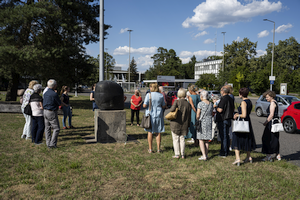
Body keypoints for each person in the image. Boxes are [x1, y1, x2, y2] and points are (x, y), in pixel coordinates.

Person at [232, 88, 256, 166]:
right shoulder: (249, 101)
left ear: (241, 94)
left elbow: (244, 115)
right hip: (247, 123)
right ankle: (249, 157)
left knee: (237, 140)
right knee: (246, 139)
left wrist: (237, 115)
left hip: (242, 123)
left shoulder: (243, 102)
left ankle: (237, 158)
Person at [143, 83, 166, 153]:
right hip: (159, 115)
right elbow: (164, 105)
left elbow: (144, 105)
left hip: (150, 115)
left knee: (150, 132)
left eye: (150, 87)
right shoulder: (161, 95)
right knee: (158, 132)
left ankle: (150, 149)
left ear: (152, 88)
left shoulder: (148, 95)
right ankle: (158, 149)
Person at [169, 88, 191, 159]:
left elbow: (171, 110)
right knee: (182, 139)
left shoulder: (177, 102)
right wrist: (188, 125)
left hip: (175, 123)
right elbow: (189, 115)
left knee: (175, 139)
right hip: (184, 123)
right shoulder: (188, 104)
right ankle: (183, 154)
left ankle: (177, 154)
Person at [261, 90, 281, 161]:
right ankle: (277, 155)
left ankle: (268, 155)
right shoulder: (275, 102)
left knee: (266, 138)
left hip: (271, 123)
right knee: (274, 138)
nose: (266, 98)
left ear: (271, 96)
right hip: (275, 123)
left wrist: (266, 122)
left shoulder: (272, 103)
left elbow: (271, 114)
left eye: (267, 97)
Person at [43, 79, 61, 149]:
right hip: (51, 112)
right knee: (56, 128)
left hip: (45, 111)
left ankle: (48, 143)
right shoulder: (54, 94)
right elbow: (59, 103)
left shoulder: (45, 92)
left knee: (47, 128)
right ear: (54, 86)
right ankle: (52, 144)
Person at [217, 86, 234, 157]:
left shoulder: (223, 99)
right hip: (228, 119)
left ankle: (223, 152)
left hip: (223, 119)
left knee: (223, 136)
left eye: (221, 90)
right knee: (226, 135)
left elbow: (220, 109)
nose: (221, 92)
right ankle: (226, 150)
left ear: (223, 91)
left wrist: (216, 107)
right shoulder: (231, 98)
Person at [196, 90, 213, 161]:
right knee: (207, 139)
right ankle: (206, 154)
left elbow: (198, 114)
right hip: (209, 121)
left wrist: (197, 119)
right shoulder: (211, 104)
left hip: (202, 122)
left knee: (200, 139)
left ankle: (203, 155)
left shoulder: (200, 104)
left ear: (202, 96)